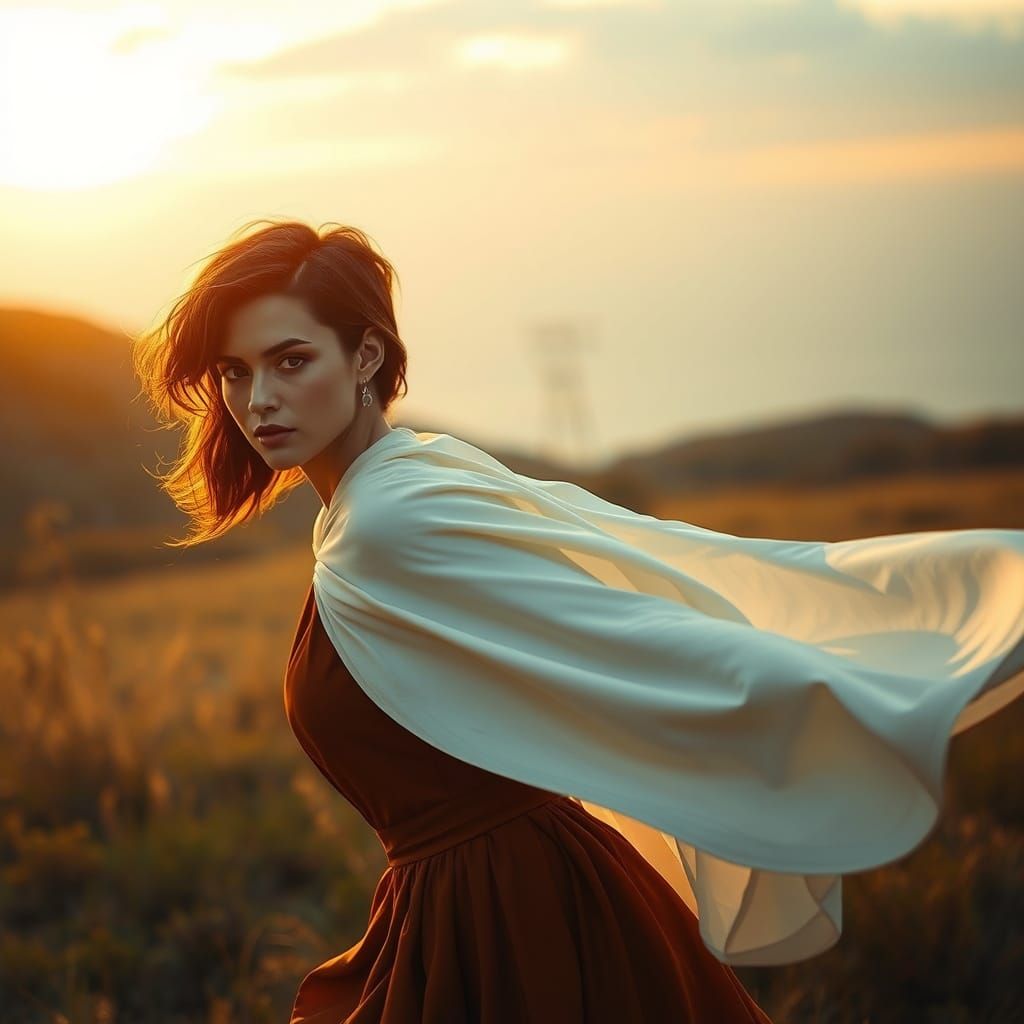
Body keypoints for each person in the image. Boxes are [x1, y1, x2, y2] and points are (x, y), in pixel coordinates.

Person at [132, 218, 1023, 1023]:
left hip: (521, 919)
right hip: (479, 905)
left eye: (292, 361)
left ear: (366, 357)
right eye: (235, 373)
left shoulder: (393, 520)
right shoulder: (396, 492)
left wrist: (872, 685)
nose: (258, 401)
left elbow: (628, 634)